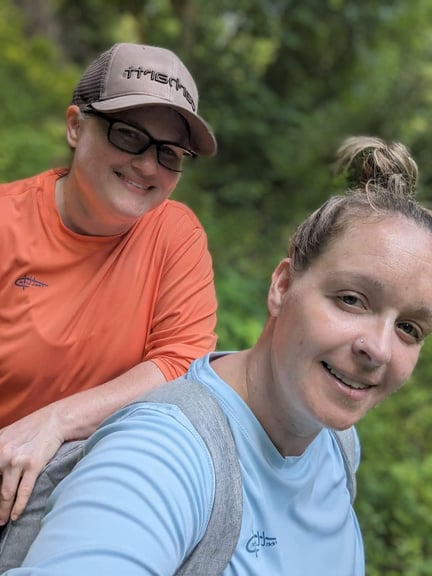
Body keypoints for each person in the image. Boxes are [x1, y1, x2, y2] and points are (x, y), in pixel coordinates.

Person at [4, 135, 432, 576]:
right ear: (282, 287)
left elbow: (179, 349)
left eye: (409, 328)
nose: (378, 349)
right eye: (350, 299)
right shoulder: (161, 455)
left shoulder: (336, 444)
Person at [0, 42, 218, 527]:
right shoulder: (6, 223)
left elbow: (182, 362)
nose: (147, 166)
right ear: (76, 126)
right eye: (128, 135)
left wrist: (54, 423)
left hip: (94, 495)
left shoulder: (175, 234)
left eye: (169, 153)